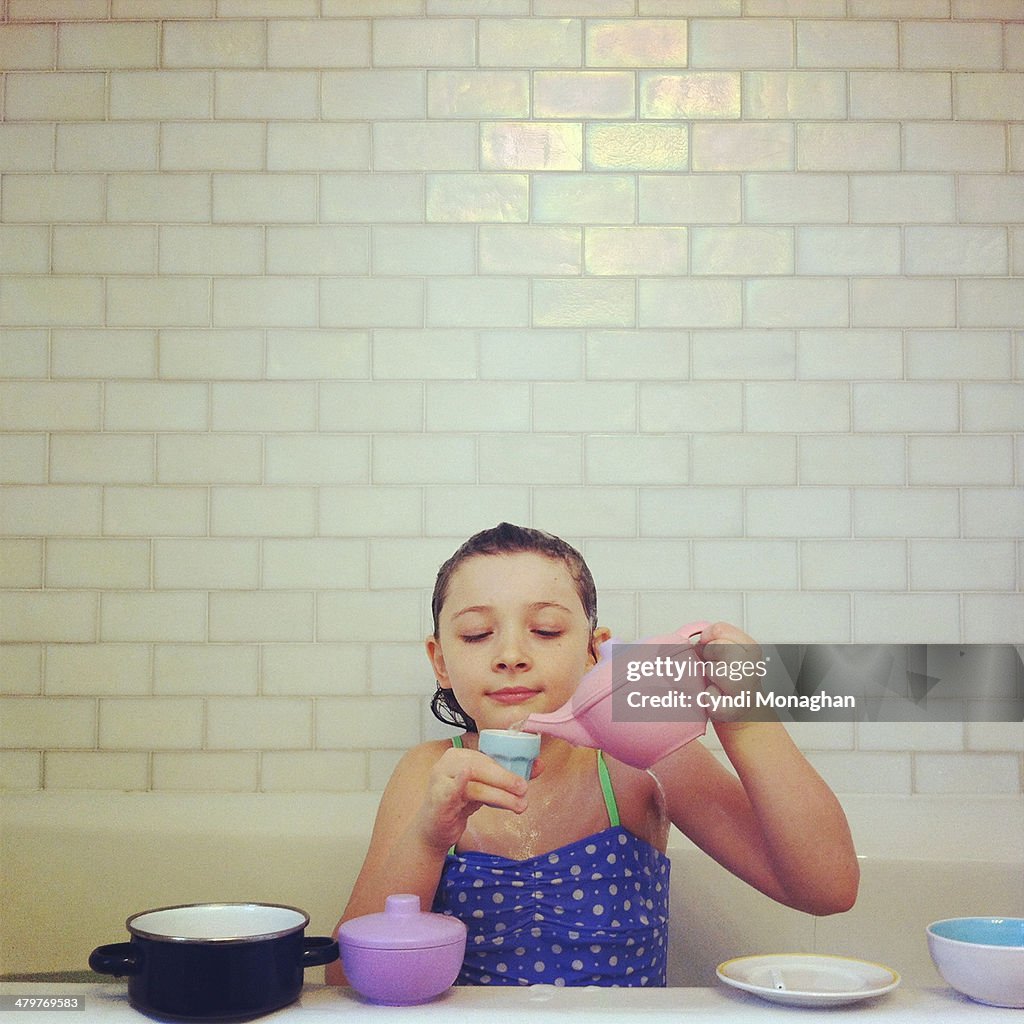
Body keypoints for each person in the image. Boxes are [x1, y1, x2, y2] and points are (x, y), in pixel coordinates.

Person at [328, 523, 858, 987]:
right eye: (477, 634)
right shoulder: (427, 774)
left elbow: (828, 889)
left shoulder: (641, 760)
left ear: (594, 651)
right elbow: (345, 978)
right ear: (440, 661)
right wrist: (427, 837)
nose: (511, 655)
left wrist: (747, 722)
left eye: (546, 630)